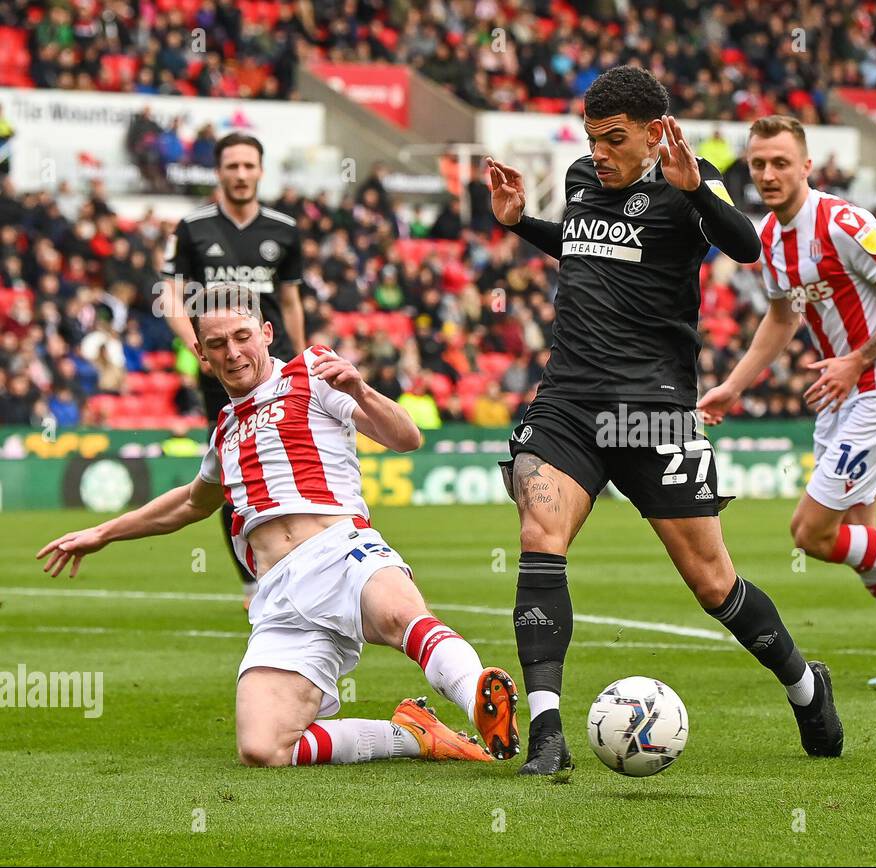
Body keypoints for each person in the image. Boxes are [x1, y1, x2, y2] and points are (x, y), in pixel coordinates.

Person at [486, 67, 843, 774]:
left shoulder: (692, 180)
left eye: (614, 140)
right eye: (592, 139)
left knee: (713, 584)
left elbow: (745, 246)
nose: (600, 153)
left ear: (654, 134)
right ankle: (548, 735)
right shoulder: (582, 178)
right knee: (539, 531)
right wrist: (521, 223)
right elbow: (588, 250)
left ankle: (807, 689)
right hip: (569, 401)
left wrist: (694, 191)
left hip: (654, 412)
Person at [38, 283, 520, 767]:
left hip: (342, 550)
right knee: (263, 748)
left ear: (267, 333)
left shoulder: (311, 372)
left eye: (242, 336)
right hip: (280, 594)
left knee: (399, 616)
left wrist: (361, 389)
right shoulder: (224, 432)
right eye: (218, 344)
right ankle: (414, 736)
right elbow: (189, 503)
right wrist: (102, 534)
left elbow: (406, 437)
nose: (234, 352)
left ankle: (480, 700)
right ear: (202, 356)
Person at [698, 115, 876, 687]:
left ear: (806, 166)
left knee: (812, 533)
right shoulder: (769, 237)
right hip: (838, 398)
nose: (768, 174)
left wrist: (857, 360)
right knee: (861, 540)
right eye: (758, 164)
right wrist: (734, 384)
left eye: (780, 162)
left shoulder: (845, 222)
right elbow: (781, 317)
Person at [161, 132, 308, 610]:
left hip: (276, 363)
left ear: (260, 171)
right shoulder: (192, 227)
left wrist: (302, 358)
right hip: (221, 371)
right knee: (234, 472)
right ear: (219, 172)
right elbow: (171, 296)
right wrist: (199, 348)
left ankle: (303, 565)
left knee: (293, 463)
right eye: (232, 167)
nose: (241, 175)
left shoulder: (284, 228)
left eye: (249, 166)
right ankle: (253, 581)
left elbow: (289, 299)